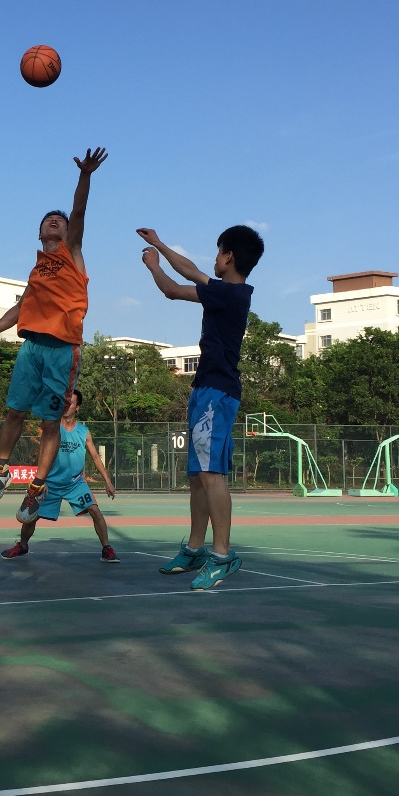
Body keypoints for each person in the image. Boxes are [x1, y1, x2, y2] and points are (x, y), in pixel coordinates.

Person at [0, 147, 108, 525]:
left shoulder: (71, 253)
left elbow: (79, 211)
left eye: (59, 220)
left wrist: (85, 175)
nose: (55, 221)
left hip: (62, 350)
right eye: (48, 219)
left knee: (49, 423)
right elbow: (21, 307)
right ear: (40, 231)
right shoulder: (36, 269)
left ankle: (36, 487)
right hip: (31, 348)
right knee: (14, 412)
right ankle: (2, 469)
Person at [139, 224, 263, 590]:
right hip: (205, 389)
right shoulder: (223, 293)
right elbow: (182, 281)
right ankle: (195, 549)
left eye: (218, 251)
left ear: (229, 256)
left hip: (218, 393)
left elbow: (181, 281)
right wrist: (157, 255)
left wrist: (156, 254)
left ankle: (222, 555)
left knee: (211, 475)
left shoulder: (231, 293)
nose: (214, 258)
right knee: (197, 477)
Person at [1, 390, 119, 563]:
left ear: (78, 407)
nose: (66, 405)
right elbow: (43, 453)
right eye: (65, 402)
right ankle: (22, 546)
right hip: (51, 483)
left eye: (71, 403)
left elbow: (95, 457)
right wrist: (40, 480)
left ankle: (106, 549)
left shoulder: (84, 432)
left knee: (95, 510)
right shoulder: (53, 428)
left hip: (75, 483)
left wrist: (107, 482)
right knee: (31, 517)